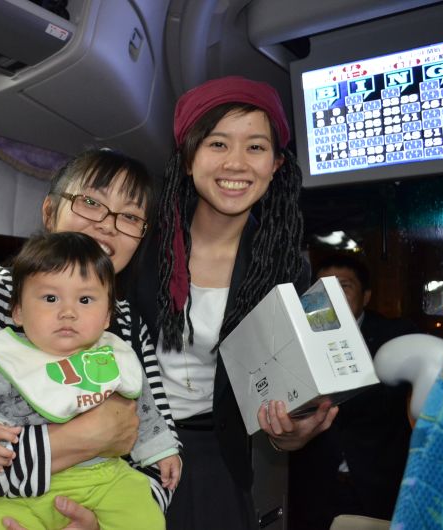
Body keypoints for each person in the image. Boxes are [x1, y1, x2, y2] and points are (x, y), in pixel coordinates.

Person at [0, 148, 179, 529]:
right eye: (91, 202)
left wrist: (95, 525)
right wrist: (80, 439)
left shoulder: (129, 326)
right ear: (50, 212)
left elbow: (159, 460)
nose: (108, 225)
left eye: (131, 217)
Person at [127, 76, 339, 529]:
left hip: (215, 455)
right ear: (189, 158)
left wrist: (288, 434)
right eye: (218, 144)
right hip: (121, 442)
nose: (236, 163)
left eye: (256, 147)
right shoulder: (140, 241)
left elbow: (279, 386)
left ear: (276, 164)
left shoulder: (285, 268)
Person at [0, 231, 180, 529]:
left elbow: (143, 407)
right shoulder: (7, 358)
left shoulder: (113, 355)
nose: (68, 312)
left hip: (106, 479)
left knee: (144, 516)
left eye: (85, 299)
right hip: (21, 493)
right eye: (50, 298)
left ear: (108, 315)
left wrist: (161, 450)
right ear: (18, 311)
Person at [288, 253, 419, 529]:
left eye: (344, 286)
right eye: (322, 288)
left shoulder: (394, 336)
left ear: (366, 296)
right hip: (313, 489)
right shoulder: (294, 343)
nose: (331, 295)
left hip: (375, 488)